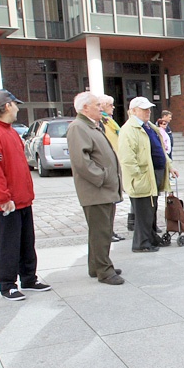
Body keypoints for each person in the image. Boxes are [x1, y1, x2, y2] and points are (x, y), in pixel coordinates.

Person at [0, 89, 51, 301]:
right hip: (6, 202)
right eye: (15, 104)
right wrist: (3, 197)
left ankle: (28, 278)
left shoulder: (9, 131)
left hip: (22, 198)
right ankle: (7, 284)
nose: (18, 108)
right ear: (7, 106)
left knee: (27, 241)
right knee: (8, 243)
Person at [66, 92, 124, 285]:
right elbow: (81, 161)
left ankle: (98, 265)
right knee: (101, 231)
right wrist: (103, 177)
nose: (101, 107)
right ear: (85, 108)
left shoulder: (91, 125)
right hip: (96, 190)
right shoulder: (78, 127)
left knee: (102, 230)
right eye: (97, 104)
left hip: (104, 189)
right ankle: (104, 271)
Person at [119, 96, 178, 252]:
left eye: (149, 109)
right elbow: (127, 158)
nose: (148, 112)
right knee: (143, 212)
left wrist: (169, 166)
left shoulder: (149, 126)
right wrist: (138, 176)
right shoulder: (129, 129)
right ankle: (141, 243)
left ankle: (151, 238)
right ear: (133, 111)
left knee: (151, 209)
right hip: (143, 177)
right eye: (144, 109)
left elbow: (159, 149)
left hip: (154, 174)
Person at [99, 94, 126, 242]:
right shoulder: (102, 122)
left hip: (116, 164)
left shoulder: (110, 121)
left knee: (114, 201)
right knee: (108, 202)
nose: (113, 107)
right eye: (110, 105)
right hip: (108, 167)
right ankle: (108, 232)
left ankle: (111, 230)